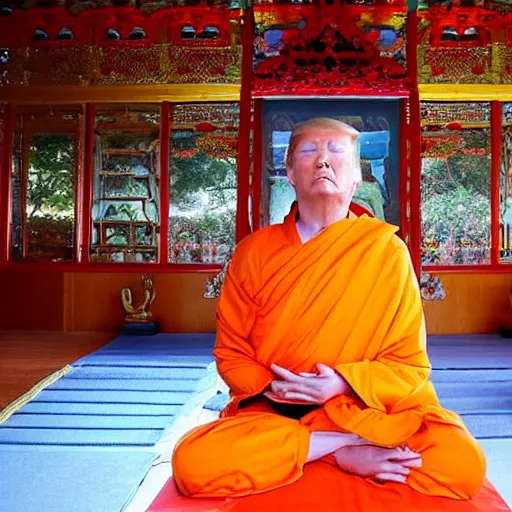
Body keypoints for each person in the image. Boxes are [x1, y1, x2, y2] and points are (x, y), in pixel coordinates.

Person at [172, 117, 486, 501]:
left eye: (337, 152)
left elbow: (410, 364)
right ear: (289, 172)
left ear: (357, 177)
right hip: (277, 411)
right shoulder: (254, 252)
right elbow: (231, 353)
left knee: (462, 463)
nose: (323, 161)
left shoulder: (386, 251)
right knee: (193, 462)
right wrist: (278, 388)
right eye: (308, 151)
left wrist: (341, 383)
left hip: (362, 407)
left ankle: (314, 448)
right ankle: (337, 449)